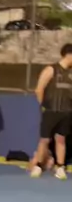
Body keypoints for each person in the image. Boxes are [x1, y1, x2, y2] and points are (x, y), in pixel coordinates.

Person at [29, 43, 72, 180]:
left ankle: (60, 167)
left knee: (61, 139)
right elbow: (39, 89)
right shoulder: (51, 69)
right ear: (68, 55)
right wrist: (44, 105)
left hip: (66, 113)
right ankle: (38, 166)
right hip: (50, 111)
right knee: (45, 140)